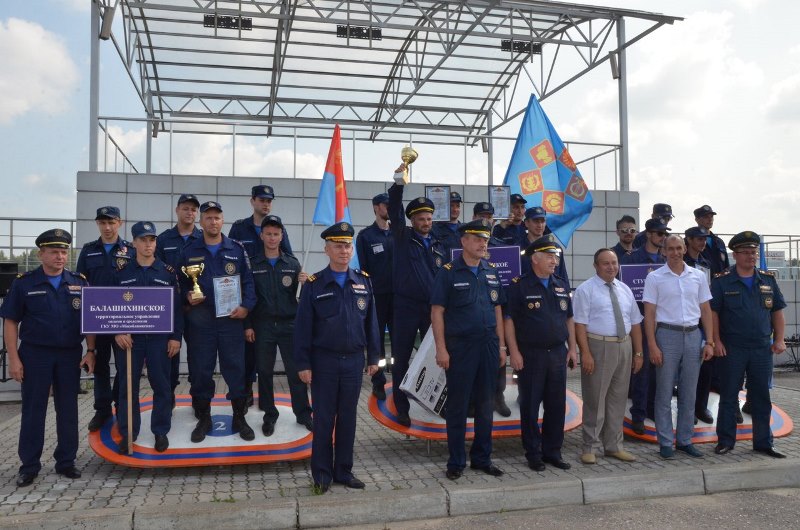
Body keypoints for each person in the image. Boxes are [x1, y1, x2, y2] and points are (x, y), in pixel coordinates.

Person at [1, 229, 96, 487]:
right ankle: (29, 466)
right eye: (54, 251)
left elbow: (90, 321)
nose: (60, 256)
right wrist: (13, 358)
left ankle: (66, 462)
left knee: (68, 409)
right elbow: (10, 322)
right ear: (41, 253)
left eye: (64, 251)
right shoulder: (24, 283)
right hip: (35, 355)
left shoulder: (79, 282)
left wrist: (91, 351)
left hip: (69, 355)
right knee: (34, 410)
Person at [294, 222, 380, 492]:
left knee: (348, 419)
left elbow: (372, 324)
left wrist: (374, 357)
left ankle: (343, 471)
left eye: (347, 245)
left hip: (354, 361)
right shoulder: (314, 285)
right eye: (338, 246)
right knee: (323, 419)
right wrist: (303, 364)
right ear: (327, 249)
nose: (344, 250)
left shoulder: (363, 281)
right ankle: (321, 474)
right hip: (324, 362)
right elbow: (303, 327)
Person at [430, 219, 506, 480]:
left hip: (488, 345)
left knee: (486, 404)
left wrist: (502, 346)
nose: (483, 243)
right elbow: (437, 312)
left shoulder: (491, 271)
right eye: (477, 239)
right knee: (458, 407)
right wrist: (441, 349)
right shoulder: (449, 272)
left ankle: (482, 458)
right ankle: (456, 461)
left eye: (485, 239)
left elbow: (498, 310)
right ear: (463, 241)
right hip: (460, 347)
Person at [180, 201, 256, 443]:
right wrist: (187, 296)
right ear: (201, 222)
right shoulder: (189, 250)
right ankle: (204, 417)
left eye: (217, 217)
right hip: (200, 322)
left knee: (235, 369)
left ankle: (239, 416)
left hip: (230, 321)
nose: (213, 222)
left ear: (223, 221)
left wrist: (246, 307)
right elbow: (179, 285)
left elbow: (248, 283)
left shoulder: (236, 248)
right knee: (201, 371)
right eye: (208, 218)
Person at [504, 234, 578, 472]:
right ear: (535, 259)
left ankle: (553, 451)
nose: (554, 261)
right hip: (531, 354)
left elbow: (569, 319)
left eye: (555, 257)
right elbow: (509, 321)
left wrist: (573, 348)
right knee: (530, 406)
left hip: (557, 354)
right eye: (549, 256)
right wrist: (513, 352)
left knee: (556, 406)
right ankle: (533, 453)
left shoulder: (560, 284)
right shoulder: (519, 285)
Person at [711, 231, 787, 458]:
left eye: (753, 252)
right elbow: (713, 313)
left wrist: (780, 339)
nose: (750, 256)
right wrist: (716, 341)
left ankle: (764, 442)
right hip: (732, 348)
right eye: (745, 252)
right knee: (728, 396)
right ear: (735, 255)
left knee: (761, 397)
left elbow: (777, 311)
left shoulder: (768, 280)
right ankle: (725, 441)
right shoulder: (722, 281)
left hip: (761, 348)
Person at [113, 222, 183, 454]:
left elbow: (176, 308)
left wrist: (175, 337)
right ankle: (129, 433)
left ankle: (160, 431)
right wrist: (118, 331)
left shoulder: (167, 272)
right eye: (142, 240)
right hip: (130, 340)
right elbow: (109, 305)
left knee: (162, 386)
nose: (147, 244)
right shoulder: (122, 273)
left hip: (159, 339)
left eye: (151, 240)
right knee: (127, 387)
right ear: (133, 243)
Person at [643, 235, 714, 459]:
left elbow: (705, 310)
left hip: (693, 335)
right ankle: (665, 441)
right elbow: (650, 314)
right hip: (666, 335)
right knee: (664, 392)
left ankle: (684, 440)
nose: (675, 252)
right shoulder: (654, 278)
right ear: (663, 252)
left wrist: (709, 341)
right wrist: (652, 345)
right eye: (670, 249)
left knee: (689, 392)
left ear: (685, 249)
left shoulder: (698, 276)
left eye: (678, 248)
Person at [573, 248, 644, 464]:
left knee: (617, 399)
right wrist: (585, 353)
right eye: (606, 263)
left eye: (614, 263)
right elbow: (579, 325)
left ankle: (613, 446)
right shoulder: (586, 290)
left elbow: (635, 322)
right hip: (598, 346)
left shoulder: (624, 289)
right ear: (596, 266)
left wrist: (638, 352)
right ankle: (590, 447)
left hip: (624, 345)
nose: (611, 267)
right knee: (595, 399)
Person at [245, 215, 313, 436]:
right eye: (268, 234)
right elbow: (247, 296)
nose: (272, 238)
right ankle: (269, 415)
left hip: (289, 326)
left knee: (296, 372)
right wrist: (248, 325)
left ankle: (303, 414)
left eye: (276, 234)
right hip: (262, 325)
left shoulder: (292, 264)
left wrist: (307, 283)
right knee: (264, 372)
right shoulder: (252, 264)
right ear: (261, 235)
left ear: (282, 236)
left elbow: (302, 300)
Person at [388, 175, 446, 427]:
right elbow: (394, 209)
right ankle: (402, 407)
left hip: (432, 310)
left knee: (437, 356)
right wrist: (398, 185)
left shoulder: (437, 244)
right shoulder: (403, 237)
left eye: (429, 219)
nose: (426, 222)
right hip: (406, 308)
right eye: (421, 219)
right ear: (412, 220)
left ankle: (434, 401)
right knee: (401, 358)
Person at [229, 184, 294, 406]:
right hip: (248, 300)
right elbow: (230, 259)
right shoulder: (239, 229)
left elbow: (289, 259)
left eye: (269, 200)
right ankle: (246, 391)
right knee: (248, 353)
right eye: (262, 200)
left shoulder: (276, 227)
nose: (265, 204)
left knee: (266, 360)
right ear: (252, 201)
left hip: (271, 300)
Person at [76, 206, 135, 432]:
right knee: (100, 366)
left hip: (124, 320)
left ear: (119, 223)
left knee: (124, 366)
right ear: (98, 224)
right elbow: (81, 284)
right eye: (103, 223)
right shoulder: (89, 251)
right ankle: (102, 410)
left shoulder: (130, 250)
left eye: (111, 222)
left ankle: (121, 409)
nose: (107, 227)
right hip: (98, 319)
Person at [620, 217, 668, 435]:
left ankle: (652, 410)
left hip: (664, 322)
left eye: (665, 234)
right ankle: (638, 414)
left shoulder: (666, 260)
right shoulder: (632, 259)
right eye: (659, 234)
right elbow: (625, 292)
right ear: (648, 234)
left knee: (660, 371)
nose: (663, 238)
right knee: (641, 370)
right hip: (639, 321)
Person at [156, 193, 202, 405]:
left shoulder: (203, 239)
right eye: (185, 208)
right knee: (169, 355)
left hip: (197, 308)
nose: (190, 213)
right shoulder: (164, 240)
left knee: (197, 355)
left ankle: (198, 399)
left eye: (193, 209)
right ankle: (169, 398)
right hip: (170, 309)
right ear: (177, 210)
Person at [471, 201, 511, 416]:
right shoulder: (465, 245)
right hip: (470, 308)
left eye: (489, 216)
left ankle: (498, 395)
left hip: (496, 305)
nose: (486, 220)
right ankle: (473, 398)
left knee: (498, 353)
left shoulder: (502, 246)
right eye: (481, 216)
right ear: (474, 217)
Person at [356, 193, 394, 400]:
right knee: (376, 341)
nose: (388, 208)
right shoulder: (366, 236)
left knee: (400, 342)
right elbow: (363, 270)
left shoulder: (399, 233)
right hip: (377, 297)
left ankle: (401, 383)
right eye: (384, 205)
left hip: (399, 297)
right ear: (375, 207)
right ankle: (378, 381)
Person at [684, 226, 715, 424]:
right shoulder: (680, 262)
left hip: (702, 320)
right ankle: (687, 408)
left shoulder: (706, 263)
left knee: (705, 367)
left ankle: (700, 407)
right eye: (698, 239)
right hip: (685, 320)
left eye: (704, 239)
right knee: (685, 370)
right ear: (688, 240)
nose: (702, 242)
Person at [519, 207, 570, 286]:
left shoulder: (556, 248)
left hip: (552, 292)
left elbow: (562, 274)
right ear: (526, 223)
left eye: (542, 221)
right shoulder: (518, 248)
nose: (540, 225)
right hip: (526, 291)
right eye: (536, 221)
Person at [694, 205, 730, 274]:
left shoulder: (719, 242)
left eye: (711, 217)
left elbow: (726, 266)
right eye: (706, 217)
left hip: (720, 282)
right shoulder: (691, 241)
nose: (710, 219)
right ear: (697, 220)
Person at [431, 191, 463, 260]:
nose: (455, 209)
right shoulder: (434, 229)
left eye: (457, 206)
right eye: (451, 206)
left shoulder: (465, 229)